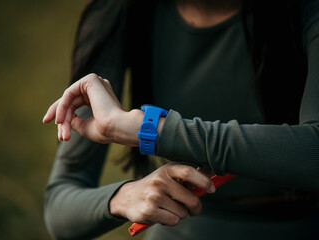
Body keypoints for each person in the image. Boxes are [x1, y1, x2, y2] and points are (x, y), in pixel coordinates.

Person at [43, 0, 319, 239]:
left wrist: (152, 131)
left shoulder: (305, 8)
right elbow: (60, 207)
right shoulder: (120, 11)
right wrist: (122, 196)